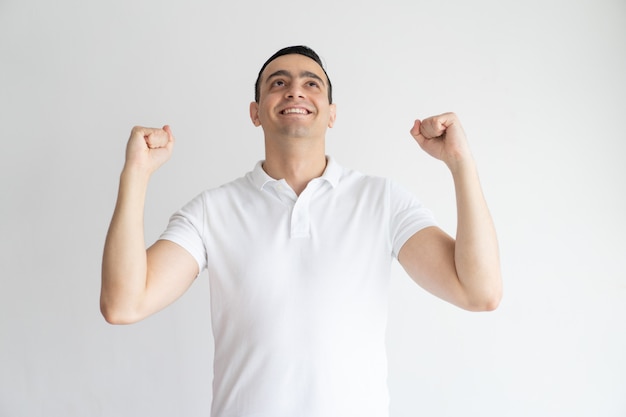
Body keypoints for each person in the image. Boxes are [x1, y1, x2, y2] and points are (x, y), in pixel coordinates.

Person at [101, 45, 502, 417]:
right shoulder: (213, 211)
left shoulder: (381, 200)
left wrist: (460, 162)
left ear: (330, 113)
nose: (295, 91)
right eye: (279, 83)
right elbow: (123, 304)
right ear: (256, 112)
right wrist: (135, 174)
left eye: (312, 83)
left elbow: (479, 291)